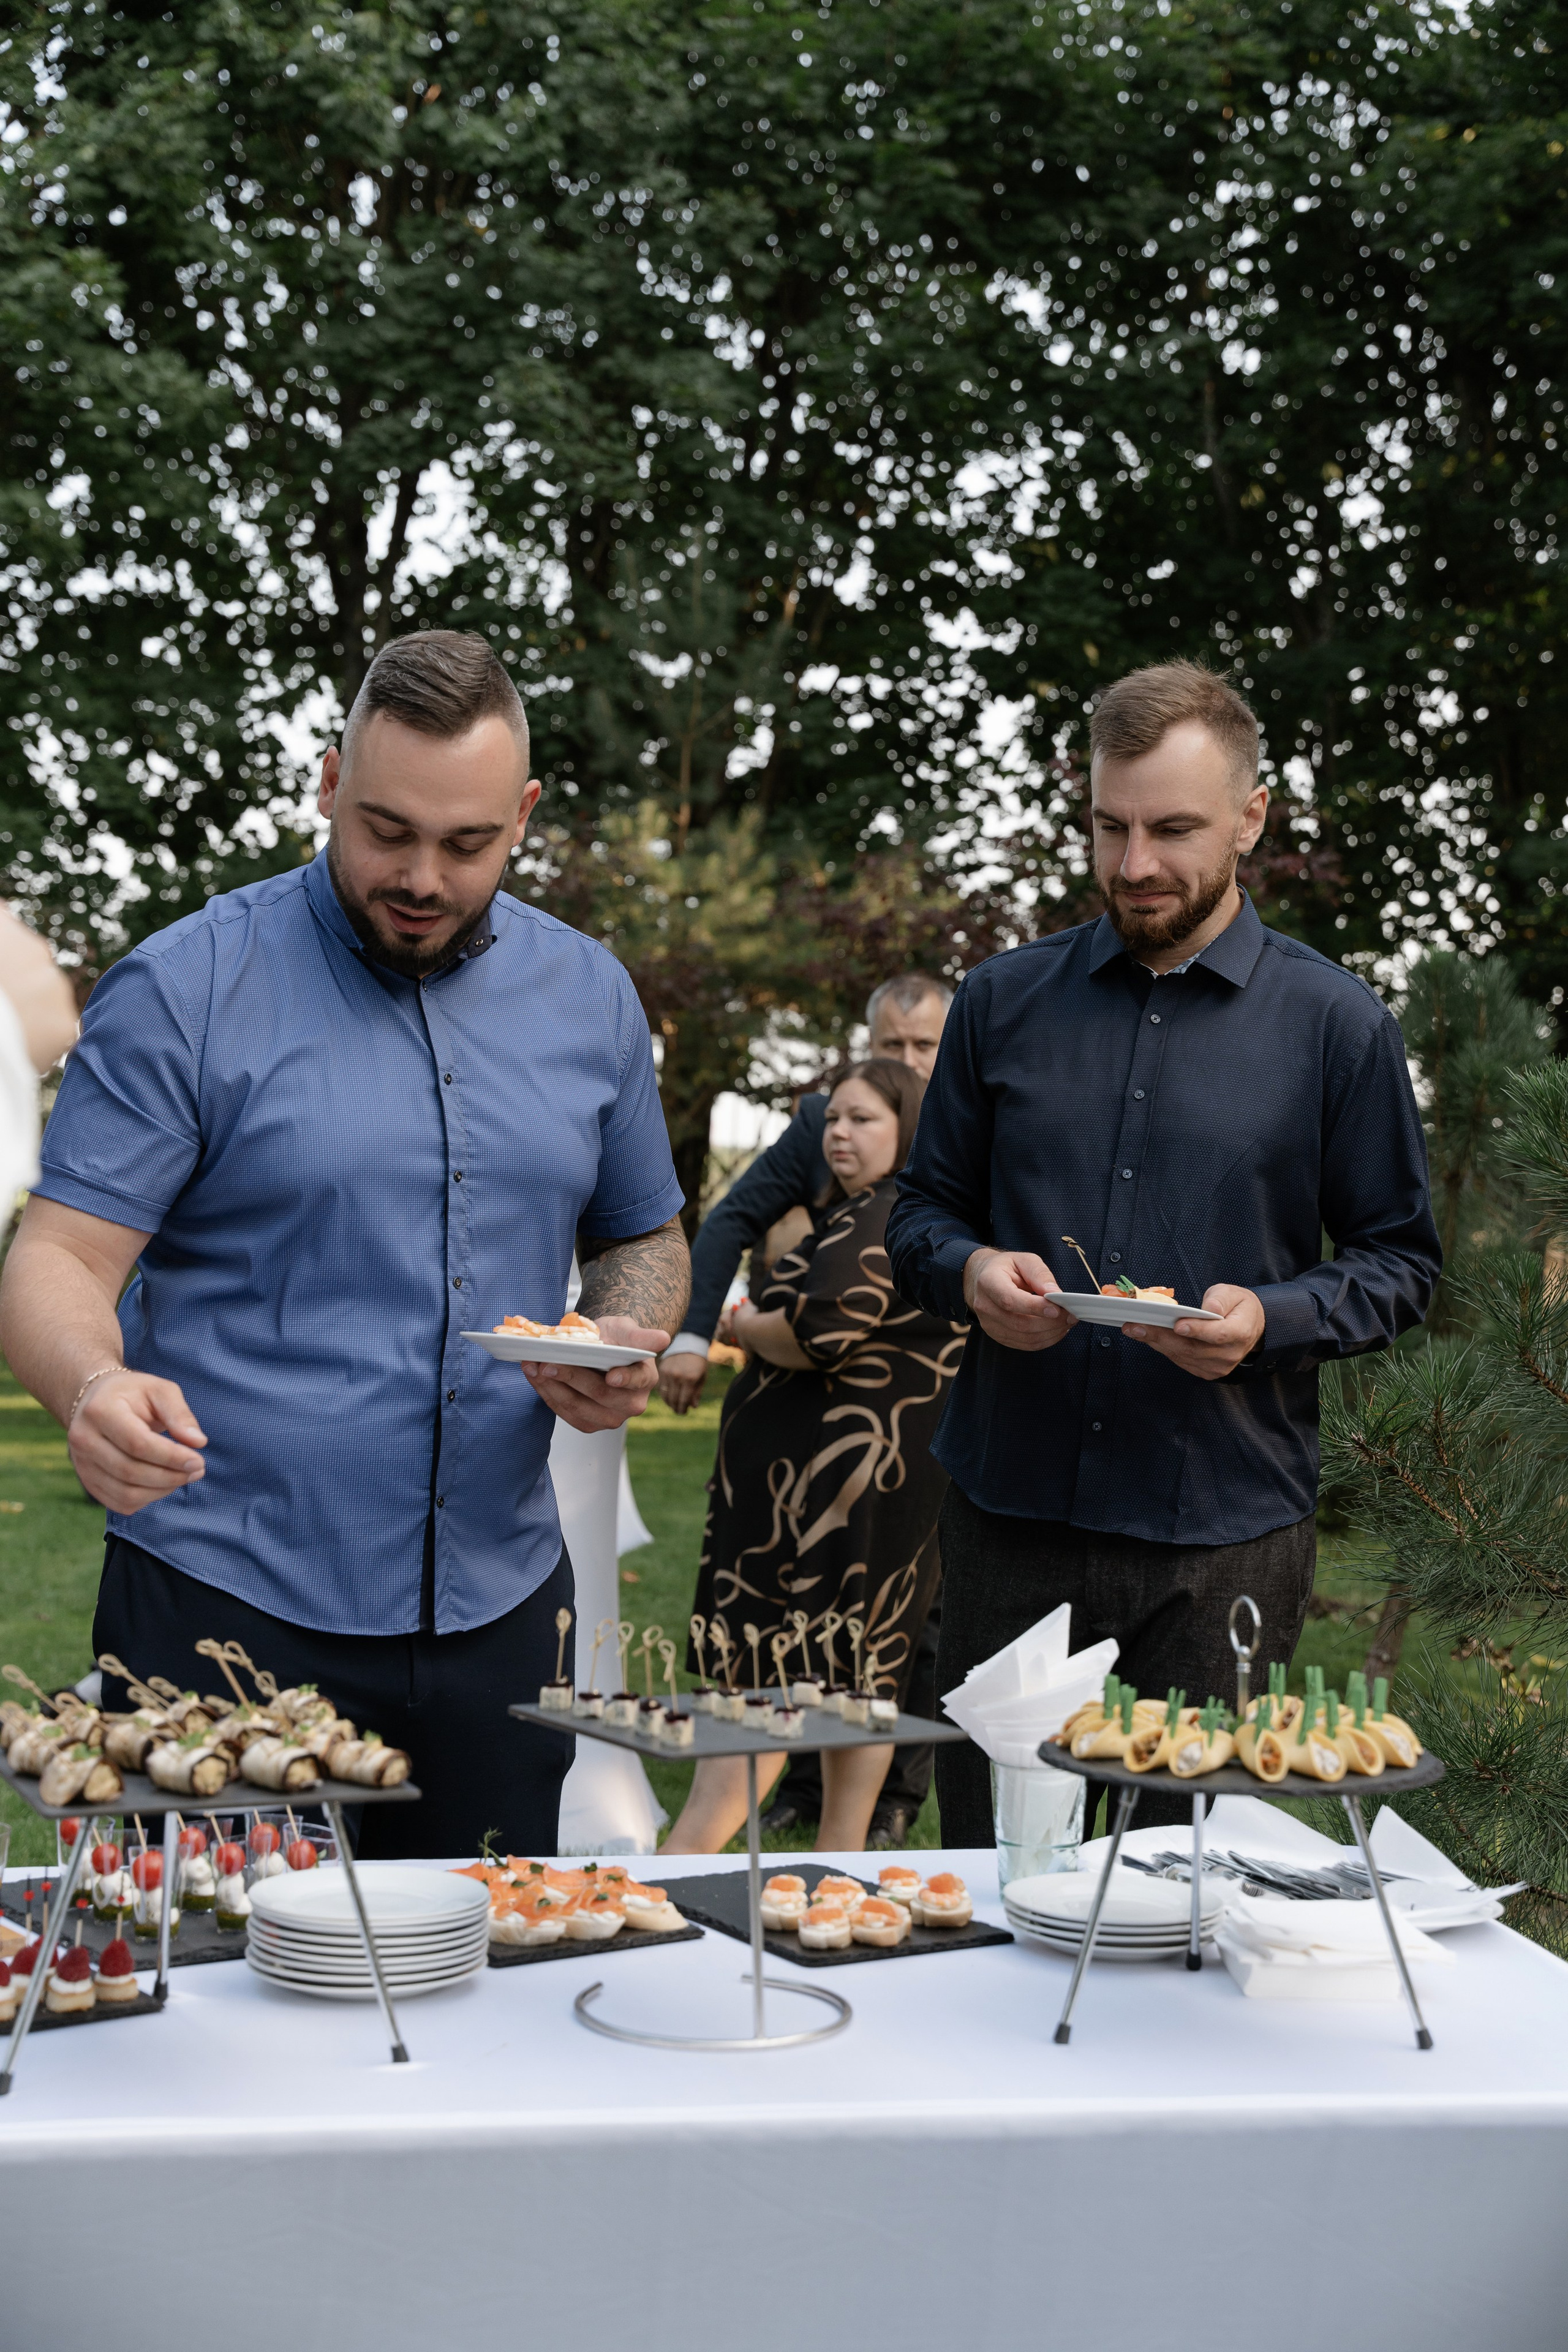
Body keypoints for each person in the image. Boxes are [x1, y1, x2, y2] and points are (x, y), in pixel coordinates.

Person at [0, 630, 689, 1858]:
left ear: (524, 816)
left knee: (490, 1962)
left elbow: (643, 1232)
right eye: (386, 830)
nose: (421, 876)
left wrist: (621, 1327)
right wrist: (93, 1386)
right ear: (328, 784)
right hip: (225, 1603)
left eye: (467, 843)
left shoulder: (590, 997)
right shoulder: (184, 985)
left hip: (500, 1612)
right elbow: (59, 1255)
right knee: (215, 1967)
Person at [885, 660, 1442, 1842]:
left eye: (1173, 830)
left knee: (1188, 1896)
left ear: (1251, 818)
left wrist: (1272, 1320)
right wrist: (971, 1275)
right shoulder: (998, 1003)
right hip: (1011, 1520)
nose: (1134, 863)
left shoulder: (1339, 1026)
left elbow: (1400, 1262)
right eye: (1110, 826)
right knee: (1003, 1877)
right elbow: (921, 1215)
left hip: (1225, 1539)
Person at [658, 971, 953, 1844]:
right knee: (854, 1667)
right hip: (830, 1478)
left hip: (848, 1480)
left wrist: (745, 1326)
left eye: (924, 1046)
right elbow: (732, 1220)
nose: (838, 1133)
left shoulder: (898, 1203)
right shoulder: (860, 1182)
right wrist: (696, 1331)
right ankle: (836, 1845)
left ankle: (865, 1819)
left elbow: (827, 1329)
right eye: (892, 1045)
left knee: (818, 1665)